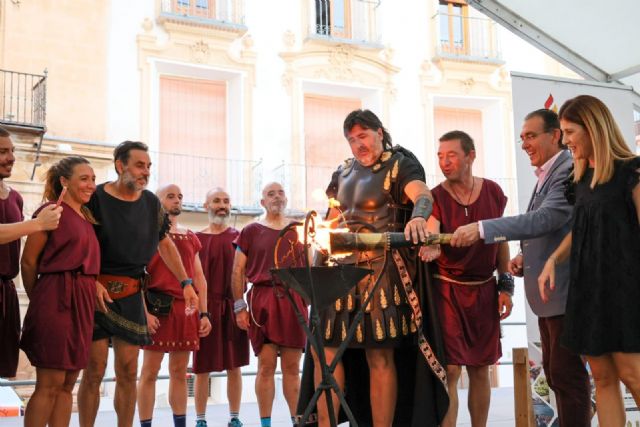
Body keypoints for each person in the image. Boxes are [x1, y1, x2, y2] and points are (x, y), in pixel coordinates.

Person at [299, 109, 449, 426]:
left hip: (382, 271)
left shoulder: (400, 164)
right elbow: (331, 220)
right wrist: (317, 265)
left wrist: (419, 216)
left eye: (363, 136)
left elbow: (422, 194)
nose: (358, 145)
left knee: (378, 354)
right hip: (338, 271)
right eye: (351, 140)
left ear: (379, 132)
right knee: (326, 353)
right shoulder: (342, 172)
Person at [452, 109, 591, 425]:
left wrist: (483, 228)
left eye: (531, 136)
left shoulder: (567, 168)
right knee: (558, 375)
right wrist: (524, 258)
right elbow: (554, 228)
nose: (524, 144)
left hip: (566, 291)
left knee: (567, 378)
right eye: (522, 138)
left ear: (555, 135)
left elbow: (548, 218)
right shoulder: (549, 172)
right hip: (549, 295)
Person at [78, 141, 198, 427]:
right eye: (139, 165)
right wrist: (91, 281)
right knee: (94, 370)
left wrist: (186, 282)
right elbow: (81, 243)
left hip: (132, 292)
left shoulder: (150, 203)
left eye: (148, 166)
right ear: (121, 166)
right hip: (95, 291)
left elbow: (164, 243)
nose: (145, 172)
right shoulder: (95, 198)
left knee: (129, 370)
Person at [538, 95, 640, 426]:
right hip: (589, 288)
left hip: (626, 290)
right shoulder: (579, 180)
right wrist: (554, 258)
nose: (564, 141)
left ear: (593, 128)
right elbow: (583, 228)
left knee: (633, 375)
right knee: (603, 378)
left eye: (569, 132)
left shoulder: (631, 172)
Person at [419, 131, 512, 427]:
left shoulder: (494, 192)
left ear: (471, 156)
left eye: (452, 155)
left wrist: (506, 285)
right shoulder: (436, 196)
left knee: (481, 368)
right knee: (451, 369)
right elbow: (432, 230)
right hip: (447, 290)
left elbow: (501, 240)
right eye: (440, 156)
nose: (444, 162)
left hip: (484, 290)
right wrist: (432, 244)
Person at [19, 156, 99, 427]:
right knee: (50, 383)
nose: (91, 185)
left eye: (93, 179)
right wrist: (41, 300)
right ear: (64, 181)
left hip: (82, 303)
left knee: (67, 385)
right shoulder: (52, 210)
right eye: (84, 179)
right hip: (56, 298)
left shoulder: (86, 218)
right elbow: (28, 262)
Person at [232, 182, 308, 427]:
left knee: (292, 367)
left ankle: (297, 421)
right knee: (265, 366)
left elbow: (309, 268)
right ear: (262, 202)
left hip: (293, 301)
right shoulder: (250, 230)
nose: (277, 197)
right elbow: (237, 271)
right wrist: (239, 305)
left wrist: (306, 301)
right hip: (262, 302)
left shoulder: (298, 230)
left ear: (286, 199)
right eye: (270, 194)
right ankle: (266, 424)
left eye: (281, 193)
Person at [137, 184, 211, 427]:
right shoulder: (146, 233)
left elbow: (199, 277)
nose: (177, 200)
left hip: (186, 309)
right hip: (156, 307)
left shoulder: (191, 236)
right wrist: (144, 312)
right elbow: (137, 275)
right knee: (149, 372)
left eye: (180, 196)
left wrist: (204, 313)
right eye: (170, 196)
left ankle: (180, 424)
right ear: (158, 202)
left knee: (180, 372)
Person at [0, 126, 61, 380]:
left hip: (7, 294)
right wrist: (38, 224)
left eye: (12, 151)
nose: (11, 157)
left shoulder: (15, 197)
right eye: (3, 151)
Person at [193, 188, 249, 427]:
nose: (222, 205)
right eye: (216, 201)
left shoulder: (240, 238)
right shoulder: (196, 239)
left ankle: (235, 417)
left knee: (234, 366)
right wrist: (197, 311)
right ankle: (200, 420)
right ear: (206, 206)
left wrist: (241, 306)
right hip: (204, 309)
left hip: (233, 308)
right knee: (201, 368)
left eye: (226, 201)